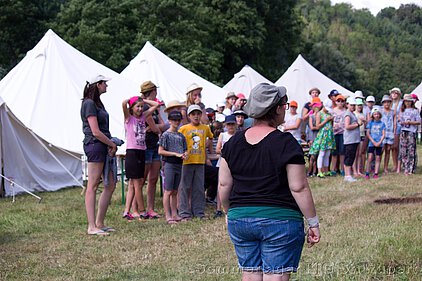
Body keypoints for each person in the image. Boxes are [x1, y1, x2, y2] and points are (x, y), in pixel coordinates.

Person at [219, 83, 320, 280]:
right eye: (284, 104)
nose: (285, 108)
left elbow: (224, 185)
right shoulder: (287, 143)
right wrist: (313, 222)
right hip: (280, 220)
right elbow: (298, 187)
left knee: (250, 274)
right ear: (276, 109)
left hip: (240, 219)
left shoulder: (232, 143)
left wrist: (228, 212)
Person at [81, 75, 117, 235]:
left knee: (110, 184)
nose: (107, 86)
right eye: (105, 83)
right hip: (95, 145)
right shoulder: (88, 103)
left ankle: (99, 222)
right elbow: (95, 131)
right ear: (98, 85)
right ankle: (91, 226)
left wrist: (109, 143)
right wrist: (111, 143)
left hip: (103, 145)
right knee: (93, 185)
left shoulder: (97, 103)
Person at [121, 96, 159, 221]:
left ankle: (126, 211)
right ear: (131, 108)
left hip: (142, 151)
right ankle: (142, 211)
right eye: (137, 106)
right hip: (132, 152)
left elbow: (156, 105)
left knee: (133, 183)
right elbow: (123, 103)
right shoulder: (129, 118)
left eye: (141, 106)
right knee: (137, 183)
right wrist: (131, 100)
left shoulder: (143, 117)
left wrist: (143, 100)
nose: (140, 108)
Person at [132, 81, 166, 219]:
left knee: (153, 179)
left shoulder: (155, 108)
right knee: (142, 179)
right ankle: (136, 208)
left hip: (154, 144)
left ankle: (150, 208)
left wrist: (155, 128)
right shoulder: (144, 107)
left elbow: (162, 125)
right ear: (151, 92)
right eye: (154, 91)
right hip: (145, 146)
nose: (156, 93)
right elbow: (156, 127)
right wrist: (155, 128)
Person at [178, 105, 214, 220]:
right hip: (186, 161)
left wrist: (205, 149)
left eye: (198, 114)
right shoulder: (184, 129)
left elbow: (211, 137)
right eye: (193, 114)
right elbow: (178, 141)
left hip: (199, 161)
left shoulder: (205, 128)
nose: (196, 116)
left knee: (198, 187)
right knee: (184, 187)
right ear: (189, 116)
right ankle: (184, 212)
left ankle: (198, 212)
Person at [158, 110, 187, 224]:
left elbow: (185, 149)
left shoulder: (181, 135)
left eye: (178, 120)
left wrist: (185, 154)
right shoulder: (165, 135)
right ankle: (168, 215)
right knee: (168, 191)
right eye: (174, 120)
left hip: (179, 164)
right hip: (169, 164)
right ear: (169, 121)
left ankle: (174, 214)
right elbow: (161, 151)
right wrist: (175, 154)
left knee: (175, 191)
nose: (176, 122)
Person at [214, 115, 237, 218]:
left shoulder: (238, 135)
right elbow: (217, 149)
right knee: (221, 185)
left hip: (236, 162)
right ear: (225, 125)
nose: (231, 126)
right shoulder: (223, 135)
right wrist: (228, 151)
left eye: (232, 124)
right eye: (229, 124)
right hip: (223, 162)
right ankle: (219, 208)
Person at [309, 99, 335, 178]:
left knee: (327, 154)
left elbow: (331, 125)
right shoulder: (319, 114)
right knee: (322, 153)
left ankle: (326, 170)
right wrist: (326, 120)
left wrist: (332, 120)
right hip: (323, 135)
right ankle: (319, 171)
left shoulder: (329, 114)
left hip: (329, 135)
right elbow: (317, 126)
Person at [397, 94, 421, 175]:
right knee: (403, 150)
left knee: (411, 150)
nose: (407, 103)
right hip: (403, 131)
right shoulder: (402, 110)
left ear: (412, 102)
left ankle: (411, 168)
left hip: (411, 131)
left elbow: (419, 121)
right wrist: (401, 121)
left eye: (409, 101)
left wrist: (410, 122)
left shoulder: (415, 111)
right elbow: (399, 120)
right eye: (406, 101)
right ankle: (405, 168)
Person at [343, 98, 362, 182]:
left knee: (351, 156)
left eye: (354, 105)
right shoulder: (348, 114)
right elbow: (347, 126)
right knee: (349, 156)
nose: (353, 107)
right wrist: (357, 124)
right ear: (347, 105)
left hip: (354, 139)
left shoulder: (352, 114)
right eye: (351, 105)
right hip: (350, 139)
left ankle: (348, 174)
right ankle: (347, 175)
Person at [365, 108, 386, 179]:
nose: (376, 115)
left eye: (377, 114)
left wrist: (380, 142)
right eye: (375, 114)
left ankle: (376, 173)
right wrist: (373, 141)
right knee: (370, 157)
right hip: (371, 143)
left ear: (380, 115)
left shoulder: (382, 124)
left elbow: (383, 134)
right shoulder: (370, 123)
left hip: (379, 143)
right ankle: (367, 172)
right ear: (372, 115)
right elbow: (368, 133)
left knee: (378, 158)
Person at [306, 98, 322, 177]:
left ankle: (314, 172)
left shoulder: (321, 116)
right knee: (312, 156)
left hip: (318, 138)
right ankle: (310, 171)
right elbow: (312, 128)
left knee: (316, 156)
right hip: (312, 138)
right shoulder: (311, 116)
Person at [332, 94, 346, 176]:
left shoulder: (345, 111)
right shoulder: (332, 111)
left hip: (343, 133)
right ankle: (333, 169)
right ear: (336, 102)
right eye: (338, 101)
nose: (340, 102)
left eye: (342, 101)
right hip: (334, 133)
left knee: (342, 152)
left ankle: (342, 169)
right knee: (334, 152)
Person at [390, 87, 403, 172]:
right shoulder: (389, 103)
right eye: (393, 93)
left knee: (396, 146)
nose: (394, 94)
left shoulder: (401, 103)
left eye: (396, 93)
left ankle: (398, 165)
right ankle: (394, 164)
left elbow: (402, 114)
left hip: (398, 126)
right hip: (389, 126)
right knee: (392, 147)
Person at [380, 95, 394, 174]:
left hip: (390, 132)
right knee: (381, 150)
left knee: (388, 150)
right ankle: (378, 166)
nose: (387, 104)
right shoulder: (380, 111)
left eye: (388, 102)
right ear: (383, 103)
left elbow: (394, 122)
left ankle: (386, 167)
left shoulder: (392, 112)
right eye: (385, 102)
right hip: (382, 132)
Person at [354, 98, 367, 176]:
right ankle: (354, 170)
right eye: (358, 105)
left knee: (360, 153)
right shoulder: (354, 114)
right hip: (355, 134)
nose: (359, 107)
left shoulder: (363, 114)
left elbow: (365, 125)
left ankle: (359, 170)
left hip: (362, 134)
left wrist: (365, 121)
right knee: (355, 153)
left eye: (361, 105)